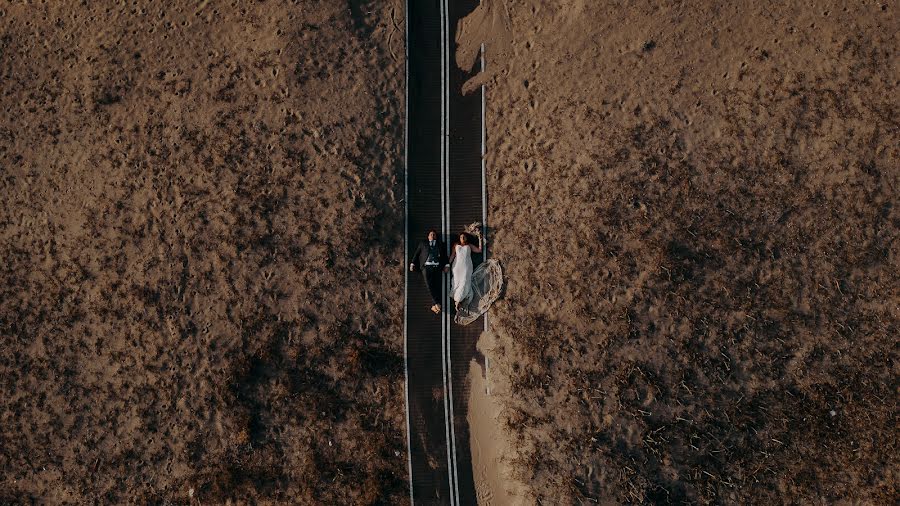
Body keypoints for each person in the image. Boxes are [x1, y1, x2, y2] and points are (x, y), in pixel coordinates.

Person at [409, 229, 449, 314]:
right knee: (429, 284)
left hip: (437, 267)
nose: (433, 236)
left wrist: (447, 265)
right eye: (431, 234)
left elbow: (445, 255)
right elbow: (417, 254)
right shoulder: (423, 243)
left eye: (434, 235)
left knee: (437, 285)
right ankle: (437, 303)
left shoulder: (440, 244)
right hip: (426, 267)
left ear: (436, 236)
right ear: (428, 236)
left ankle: (435, 305)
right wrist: (412, 263)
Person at [449, 229, 482, 311]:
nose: (462, 238)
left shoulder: (469, 245)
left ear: (466, 238)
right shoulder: (456, 245)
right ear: (459, 239)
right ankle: (458, 300)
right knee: (456, 283)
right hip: (457, 267)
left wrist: (480, 240)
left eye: (464, 237)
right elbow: (453, 256)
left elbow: (479, 250)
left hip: (466, 267)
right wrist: (447, 264)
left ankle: (458, 300)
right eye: (461, 237)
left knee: (464, 281)